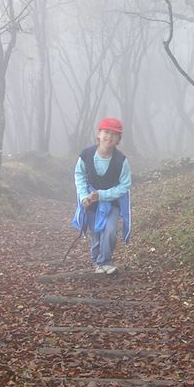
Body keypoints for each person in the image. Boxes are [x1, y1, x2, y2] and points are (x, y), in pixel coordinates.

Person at [72, 117, 132, 274]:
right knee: (96, 233)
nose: (109, 137)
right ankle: (97, 262)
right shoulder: (86, 155)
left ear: (118, 139)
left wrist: (103, 195)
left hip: (112, 202)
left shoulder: (121, 160)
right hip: (91, 201)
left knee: (110, 230)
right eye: (106, 132)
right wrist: (84, 196)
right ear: (98, 134)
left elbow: (125, 185)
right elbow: (79, 175)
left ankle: (106, 261)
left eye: (114, 134)